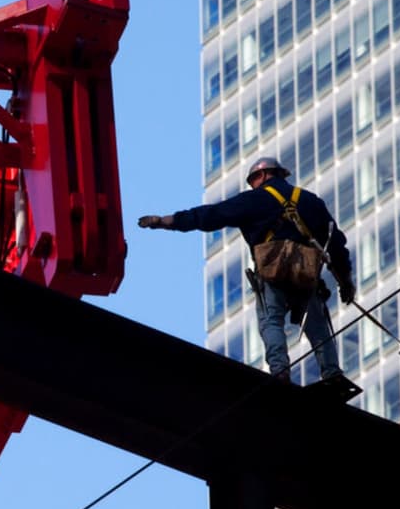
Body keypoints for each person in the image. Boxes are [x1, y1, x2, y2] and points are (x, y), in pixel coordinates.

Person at [138, 157, 355, 384]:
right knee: (317, 322)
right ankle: (332, 374)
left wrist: (165, 221)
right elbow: (336, 245)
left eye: (253, 180)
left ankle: (280, 371)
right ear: (280, 174)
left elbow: (211, 215)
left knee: (271, 319)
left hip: (273, 268)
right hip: (305, 271)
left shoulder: (254, 199)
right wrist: (345, 281)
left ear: (260, 177)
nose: (252, 185)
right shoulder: (311, 201)